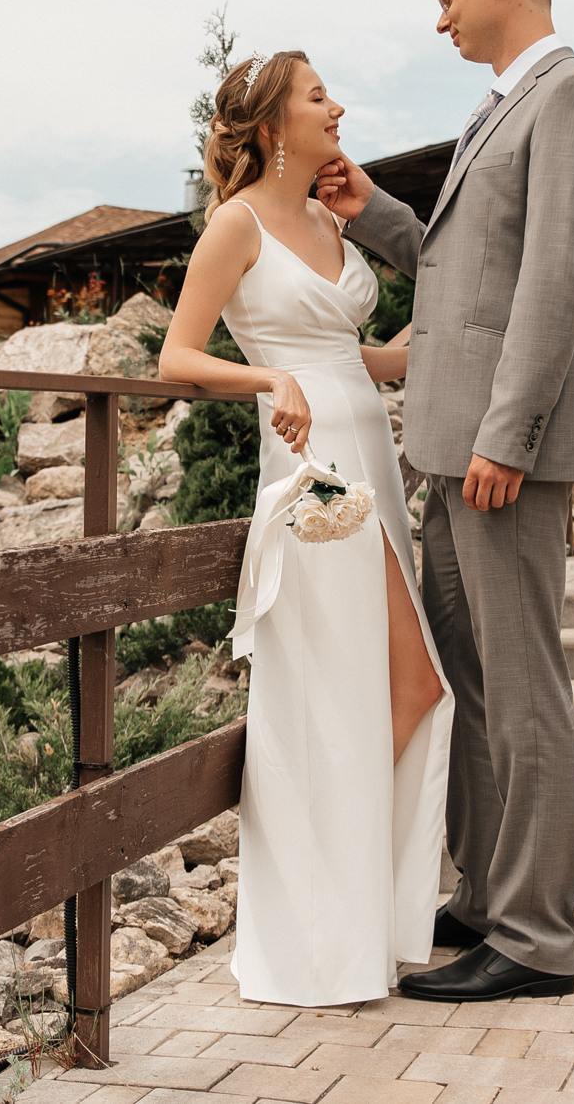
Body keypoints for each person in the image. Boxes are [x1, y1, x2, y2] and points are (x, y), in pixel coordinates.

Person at [316, 0, 574, 1003]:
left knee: (523, 684)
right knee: (473, 685)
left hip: (501, 448)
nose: (440, 14)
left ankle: (536, 939)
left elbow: (558, 279)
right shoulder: (499, 107)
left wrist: (509, 433)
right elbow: (468, 274)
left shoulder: (572, 95)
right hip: (446, 442)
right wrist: (377, 217)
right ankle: (488, 896)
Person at [157, 50, 453, 1008]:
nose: (338, 106)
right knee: (338, 693)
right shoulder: (234, 226)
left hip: (372, 448)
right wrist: (269, 379)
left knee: (406, 688)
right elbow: (176, 357)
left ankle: (365, 918)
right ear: (275, 125)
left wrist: (403, 351)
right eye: (319, 95)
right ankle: (319, 943)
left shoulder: (330, 214)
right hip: (310, 472)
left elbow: (345, 351)